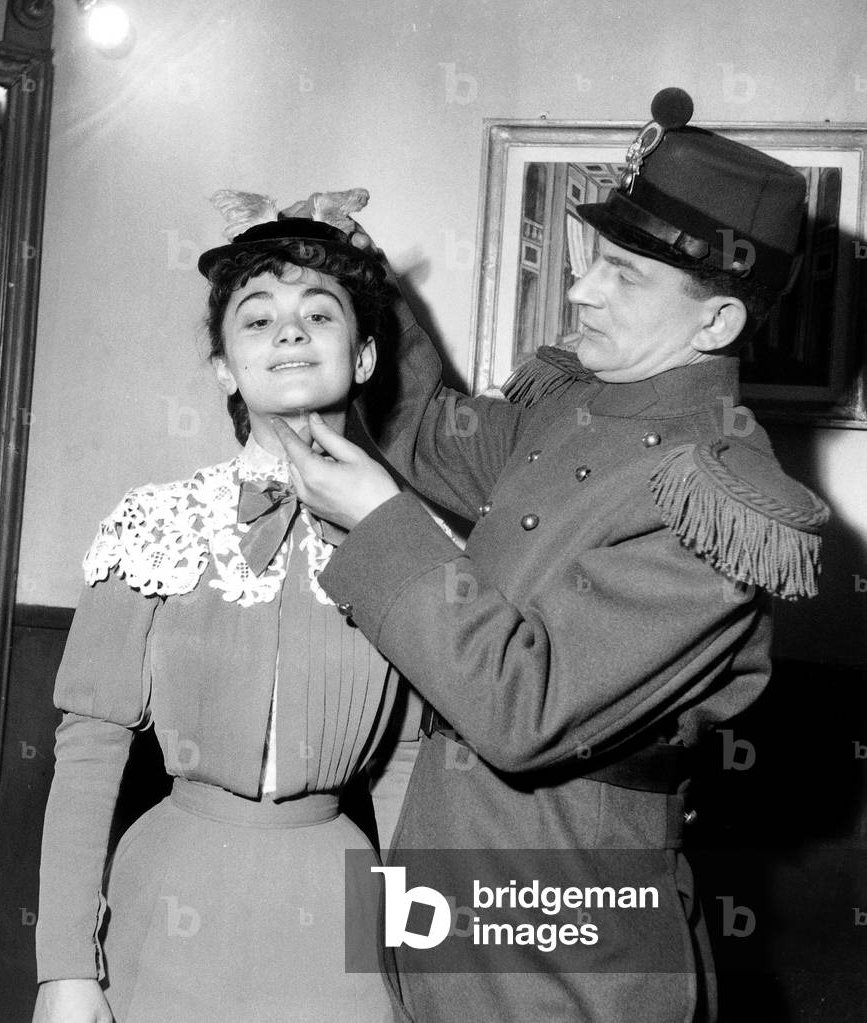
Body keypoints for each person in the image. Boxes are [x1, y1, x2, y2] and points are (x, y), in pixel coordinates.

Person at [273, 89, 829, 1022]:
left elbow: (519, 710)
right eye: (591, 262)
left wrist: (378, 521)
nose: (579, 292)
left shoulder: (723, 500)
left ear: (718, 324)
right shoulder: (573, 404)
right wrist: (350, 272)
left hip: (563, 928)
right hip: (442, 874)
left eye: (623, 276)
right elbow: (417, 428)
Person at [32, 198, 402, 1023]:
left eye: (319, 313)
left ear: (366, 353)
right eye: (257, 317)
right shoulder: (152, 522)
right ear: (224, 368)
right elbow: (89, 752)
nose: (289, 332)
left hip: (341, 918)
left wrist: (434, 977)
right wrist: (64, 965)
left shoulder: (413, 541)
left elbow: (414, 774)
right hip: (167, 902)